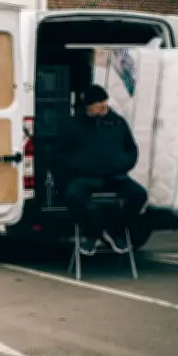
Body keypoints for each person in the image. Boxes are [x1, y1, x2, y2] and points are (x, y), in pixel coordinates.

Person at [52, 84, 148, 256]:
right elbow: (58, 155)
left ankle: (114, 229)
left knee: (139, 195)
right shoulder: (72, 125)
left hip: (115, 176)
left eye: (105, 101)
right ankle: (92, 233)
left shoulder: (117, 122)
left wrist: (122, 164)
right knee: (74, 196)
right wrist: (78, 168)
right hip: (84, 178)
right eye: (99, 102)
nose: (104, 105)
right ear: (88, 105)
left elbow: (131, 149)